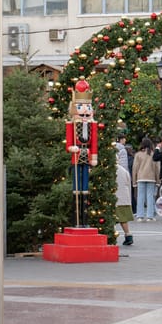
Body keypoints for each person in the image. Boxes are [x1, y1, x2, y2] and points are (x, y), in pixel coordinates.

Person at [65, 79, 98, 227]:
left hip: (87, 154)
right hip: (77, 155)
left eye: (87, 107)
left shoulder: (92, 125)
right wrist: (71, 148)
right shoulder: (71, 124)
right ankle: (76, 220)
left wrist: (94, 156)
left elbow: (94, 142)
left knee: (85, 186)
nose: (84, 110)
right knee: (76, 186)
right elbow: (68, 143)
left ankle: (85, 220)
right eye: (80, 106)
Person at [132, 137, 160, 221]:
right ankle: (150, 216)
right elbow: (157, 168)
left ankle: (140, 215)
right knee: (150, 197)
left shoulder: (138, 154)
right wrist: (158, 180)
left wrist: (134, 180)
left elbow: (135, 168)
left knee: (140, 197)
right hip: (151, 178)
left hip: (140, 177)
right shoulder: (153, 154)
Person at [115, 162, 134, 247]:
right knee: (123, 220)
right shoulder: (123, 170)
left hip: (114, 197)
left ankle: (112, 236)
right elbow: (128, 183)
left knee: (111, 218)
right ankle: (128, 235)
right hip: (124, 198)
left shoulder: (108, 169)